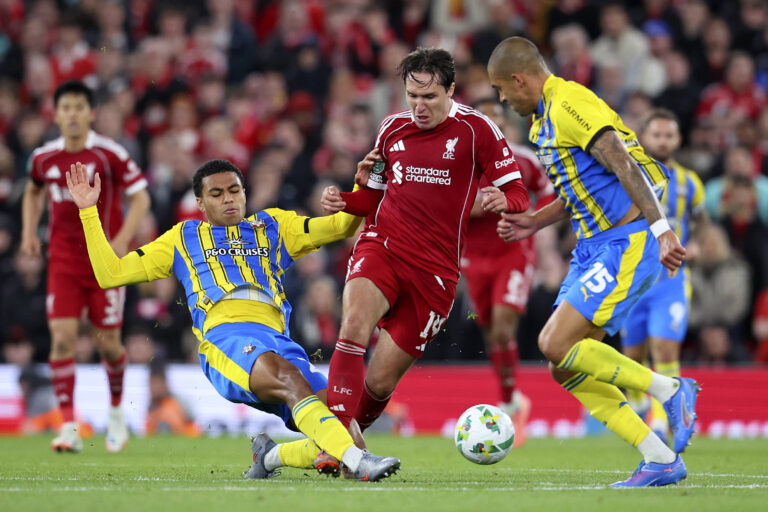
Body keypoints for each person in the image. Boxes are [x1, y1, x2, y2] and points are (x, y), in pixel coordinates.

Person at [67, 159, 400, 482]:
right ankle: (360, 463)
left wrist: (364, 184)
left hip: (280, 341)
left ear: (244, 192)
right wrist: (87, 212)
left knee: (345, 425)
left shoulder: (273, 225)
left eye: (234, 190)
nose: (228, 199)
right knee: (290, 381)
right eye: (216, 194)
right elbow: (109, 274)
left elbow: (343, 226)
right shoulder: (182, 238)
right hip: (227, 341)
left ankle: (271, 457)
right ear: (199, 202)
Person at [487, 37, 698, 487]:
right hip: (593, 248)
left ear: (519, 79)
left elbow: (624, 164)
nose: (502, 99)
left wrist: (662, 232)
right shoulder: (543, 119)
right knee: (565, 364)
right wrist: (534, 223)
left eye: (502, 90)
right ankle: (659, 458)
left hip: (628, 241)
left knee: (552, 342)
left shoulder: (569, 104)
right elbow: (581, 189)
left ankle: (670, 390)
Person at [320, 47, 530, 437]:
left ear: (451, 91)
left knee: (380, 382)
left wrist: (506, 200)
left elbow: (519, 191)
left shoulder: (478, 130)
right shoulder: (391, 128)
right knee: (352, 327)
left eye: (429, 97)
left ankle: (340, 442)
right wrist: (345, 200)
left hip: (435, 273)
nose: (418, 106)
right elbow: (374, 197)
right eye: (412, 96)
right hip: (382, 246)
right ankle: (333, 447)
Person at [20, 80, 151, 453]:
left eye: (80, 107)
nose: (73, 114)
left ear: (91, 113)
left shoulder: (109, 154)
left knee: (108, 344)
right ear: (56, 113)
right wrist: (30, 231)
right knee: (61, 339)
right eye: (66, 107)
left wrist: (123, 237)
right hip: (62, 263)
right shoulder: (43, 158)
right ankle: (69, 427)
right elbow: (32, 190)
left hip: (104, 264)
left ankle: (115, 414)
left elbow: (140, 195)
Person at [461, 97, 557, 446]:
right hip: (474, 258)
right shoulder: (459, 164)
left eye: (496, 121)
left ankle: (508, 402)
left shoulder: (522, 159)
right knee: (490, 332)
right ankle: (512, 395)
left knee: (503, 327)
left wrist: (530, 221)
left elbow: (549, 192)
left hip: (512, 254)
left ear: (503, 127)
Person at [620, 109, 709, 444]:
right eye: (656, 135)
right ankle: (643, 404)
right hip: (635, 279)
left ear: (678, 139)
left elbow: (702, 222)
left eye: (669, 135)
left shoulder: (689, 183)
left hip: (671, 281)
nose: (663, 141)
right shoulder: (629, 175)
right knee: (633, 357)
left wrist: (697, 244)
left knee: (664, 349)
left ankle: (661, 422)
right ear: (644, 138)